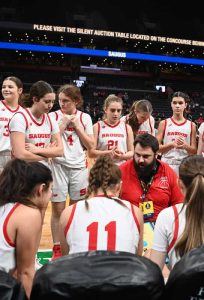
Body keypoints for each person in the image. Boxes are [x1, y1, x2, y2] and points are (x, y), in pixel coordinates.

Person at [59, 155, 143, 255]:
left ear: (90, 184)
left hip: (83, 269)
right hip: (122, 269)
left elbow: (66, 258)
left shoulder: (68, 213)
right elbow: (138, 257)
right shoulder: (135, 212)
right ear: (119, 186)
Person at [49, 84, 94, 260]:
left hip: (79, 168)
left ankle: (74, 245)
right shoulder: (53, 117)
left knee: (75, 210)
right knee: (58, 210)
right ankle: (57, 248)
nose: (62, 104)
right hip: (58, 166)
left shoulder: (85, 118)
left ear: (76, 101)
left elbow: (91, 145)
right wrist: (61, 126)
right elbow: (48, 141)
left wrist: (77, 127)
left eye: (66, 101)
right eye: (60, 100)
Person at [0, 159, 53, 298]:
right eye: (51, 189)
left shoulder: (6, 205)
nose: (52, 194)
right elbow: (25, 273)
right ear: (41, 189)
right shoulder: (28, 214)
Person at [119, 133, 183, 223]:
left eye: (146, 156)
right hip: (128, 226)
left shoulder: (169, 173)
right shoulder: (120, 172)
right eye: (137, 155)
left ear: (156, 154)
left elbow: (179, 207)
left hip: (160, 228)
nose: (140, 160)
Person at [9, 80, 63, 163]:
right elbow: (19, 154)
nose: (50, 106)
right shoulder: (20, 118)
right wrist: (46, 156)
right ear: (35, 99)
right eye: (47, 101)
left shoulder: (51, 120)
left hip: (43, 170)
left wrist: (37, 150)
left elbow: (60, 151)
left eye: (52, 102)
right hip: (23, 171)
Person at [156, 91, 197, 175]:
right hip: (167, 163)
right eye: (174, 103)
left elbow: (194, 151)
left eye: (180, 103)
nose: (177, 106)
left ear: (185, 105)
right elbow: (156, 148)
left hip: (185, 164)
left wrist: (185, 146)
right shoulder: (163, 123)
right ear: (171, 104)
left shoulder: (192, 125)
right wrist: (172, 144)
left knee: (182, 188)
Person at [88, 94, 134, 165]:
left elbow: (132, 152)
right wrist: (108, 153)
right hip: (102, 167)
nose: (116, 113)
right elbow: (91, 153)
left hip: (121, 167)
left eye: (118, 111)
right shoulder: (97, 127)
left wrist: (122, 156)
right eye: (112, 110)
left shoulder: (127, 127)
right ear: (105, 109)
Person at [0, 76, 24, 171]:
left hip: (16, 158)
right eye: (3, 87)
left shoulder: (24, 112)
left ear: (20, 90)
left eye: (10, 87)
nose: (6, 89)